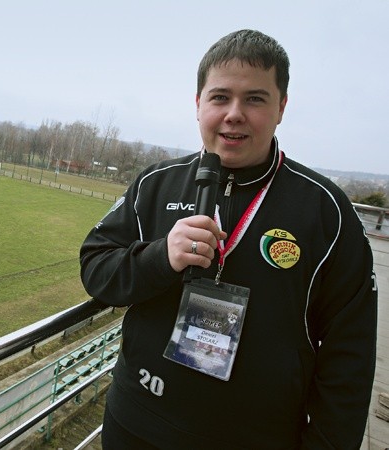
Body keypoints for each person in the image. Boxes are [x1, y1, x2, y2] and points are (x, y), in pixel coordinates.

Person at [79, 29, 377, 449]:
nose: (234, 113)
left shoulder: (326, 210)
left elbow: (351, 353)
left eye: (255, 98)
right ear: (198, 104)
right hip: (137, 422)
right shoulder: (155, 183)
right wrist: (160, 257)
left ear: (281, 108)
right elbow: (95, 269)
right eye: (220, 97)